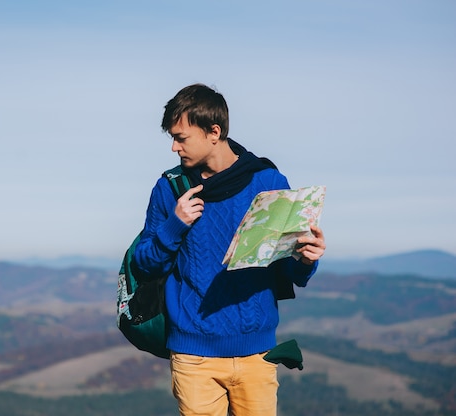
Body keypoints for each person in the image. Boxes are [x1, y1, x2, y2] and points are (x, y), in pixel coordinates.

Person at [132, 83, 326, 416]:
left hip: (257, 354)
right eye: (173, 139)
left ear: (214, 132)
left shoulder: (268, 183)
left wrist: (306, 259)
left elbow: (289, 270)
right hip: (194, 356)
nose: (175, 148)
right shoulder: (170, 189)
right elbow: (144, 264)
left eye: (181, 137)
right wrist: (174, 225)